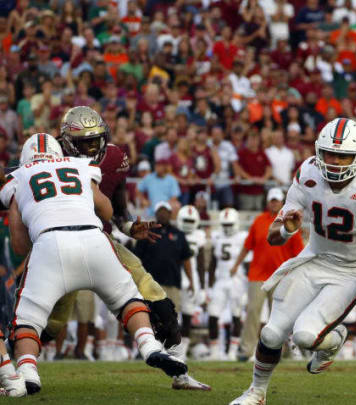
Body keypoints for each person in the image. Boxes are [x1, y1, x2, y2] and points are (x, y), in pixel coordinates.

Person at [229, 118, 356, 405]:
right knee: (271, 331)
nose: (336, 162)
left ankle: (333, 341)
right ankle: (256, 393)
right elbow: (273, 236)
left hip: (350, 272)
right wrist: (287, 228)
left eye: (343, 156)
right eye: (330, 153)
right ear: (319, 151)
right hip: (313, 259)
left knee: (304, 336)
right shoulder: (307, 173)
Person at [2, 134, 187, 396]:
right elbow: (107, 210)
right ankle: (149, 345)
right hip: (95, 239)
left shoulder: (18, 176)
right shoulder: (79, 165)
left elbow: (19, 244)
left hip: (50, 243)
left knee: (27, 319)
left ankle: (28, 371)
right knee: (128, 299)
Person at [44, 106, 209, 391]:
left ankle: (180, 375)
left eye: (97, 140)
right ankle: (14, 366)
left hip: (101, 240)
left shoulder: (115, 158)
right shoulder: (50, 156)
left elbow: (119, 213)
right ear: (68, 141)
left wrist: (132, 227)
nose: (94, 148)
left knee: (161, 304)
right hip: (60, 243)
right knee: (50, 323)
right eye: (86, 142)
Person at [231, 187, 305, 361]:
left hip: (281, 276)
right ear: (268, 202)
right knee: (252, 312)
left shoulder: (290, 223)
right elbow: (248, 245)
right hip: (258, 275)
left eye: (277, 201)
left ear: (282, 203)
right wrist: (236, 265)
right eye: (272, 200)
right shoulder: (259, 221)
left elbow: (299, 252)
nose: (274, 204)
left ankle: (284, 350)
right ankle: (246, 350)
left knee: (281, 316)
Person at [208, 207, 248, 361]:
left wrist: (245, 286)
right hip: (220, 280)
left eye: (230, 224)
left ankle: (232, 350)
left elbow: (248, 262)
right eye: (224, 224)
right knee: (213, 314)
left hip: (237, 281)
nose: (227, 228)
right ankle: (214, 351)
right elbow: (212, 262)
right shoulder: (217, 236)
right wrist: (209, 286)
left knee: (236, 316)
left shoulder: (243, 237)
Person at [174, 205, 208, 363]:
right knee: (171, 315)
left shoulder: (199, 235)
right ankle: (171, 348)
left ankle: (183, 350)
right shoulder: (174, 233)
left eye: (190, 220)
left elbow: (201, 263)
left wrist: (201, 285)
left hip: (190, 278)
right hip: (175, 276)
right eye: (186, 220)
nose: (188, 223)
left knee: (187, 315)